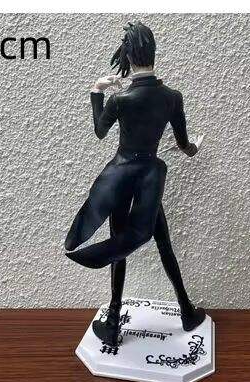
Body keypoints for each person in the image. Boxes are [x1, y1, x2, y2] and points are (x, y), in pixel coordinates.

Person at [64, 21, 206, 346]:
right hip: (149, 178)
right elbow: (184, 144)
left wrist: (96, 91)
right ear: (153, 52)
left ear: (128, 56)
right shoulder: (172, 97)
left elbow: (100, 132)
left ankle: (115, 321)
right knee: (161, 242)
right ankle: (185, 310)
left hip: (122, 177)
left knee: (121, 245)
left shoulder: (121, 99)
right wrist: (194, 148)